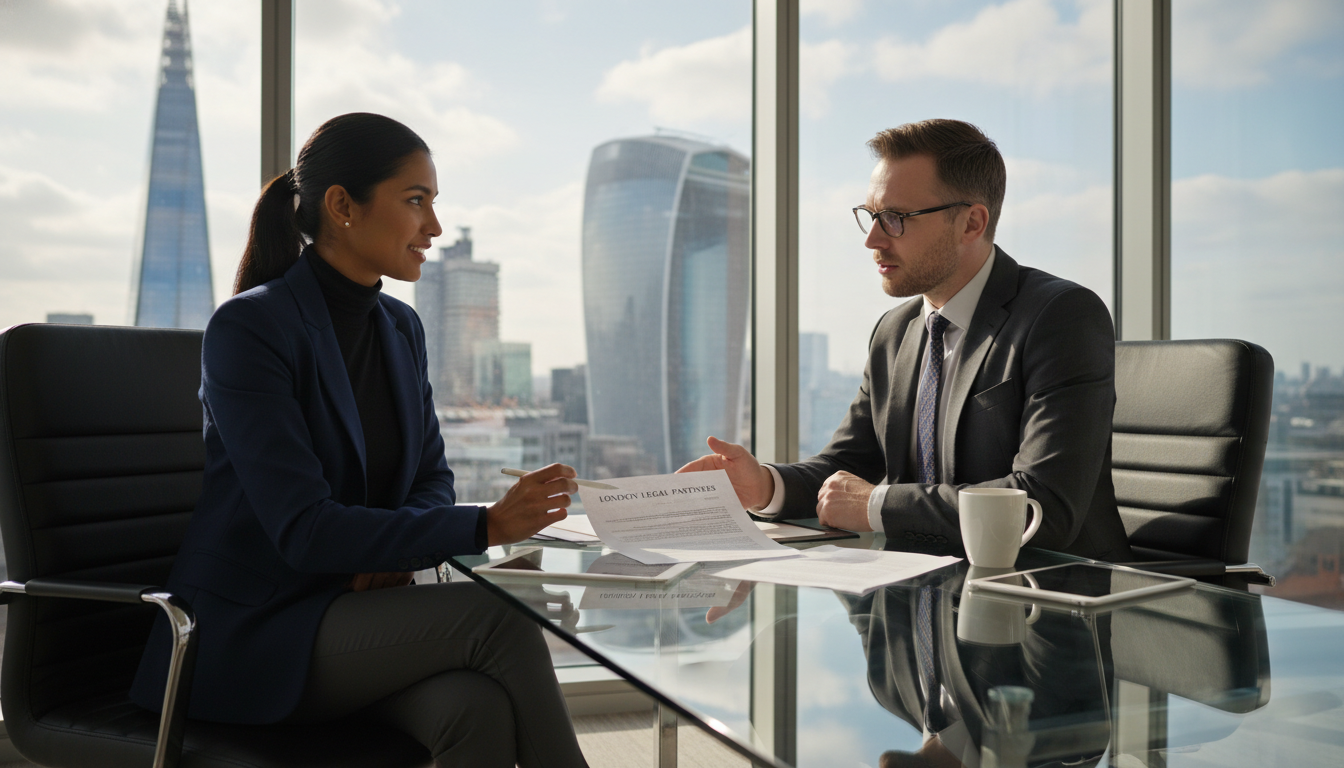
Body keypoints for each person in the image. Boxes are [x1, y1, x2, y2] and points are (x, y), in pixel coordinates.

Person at [130, 113, 589, 767]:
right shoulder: (251, 329)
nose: (432, 228)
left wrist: (393, 553)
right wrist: (483, 526)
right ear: (343, 207)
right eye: (415, 202)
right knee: (500, 618)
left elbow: (431, 478)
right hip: (255, 633)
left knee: (473, 708)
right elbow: (303, 531)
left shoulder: (400, 329)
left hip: (362, 615)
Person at [680, 119, 1131, 562]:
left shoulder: (1061, 317)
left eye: (895, 218)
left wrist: (876, 506)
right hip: (921, 592)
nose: (873, 239)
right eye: (871, 216)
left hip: (1049, 600)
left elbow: (1043, 506)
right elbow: (849, 465)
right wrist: (764, 484)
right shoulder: (894, 332)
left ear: (972, 223)